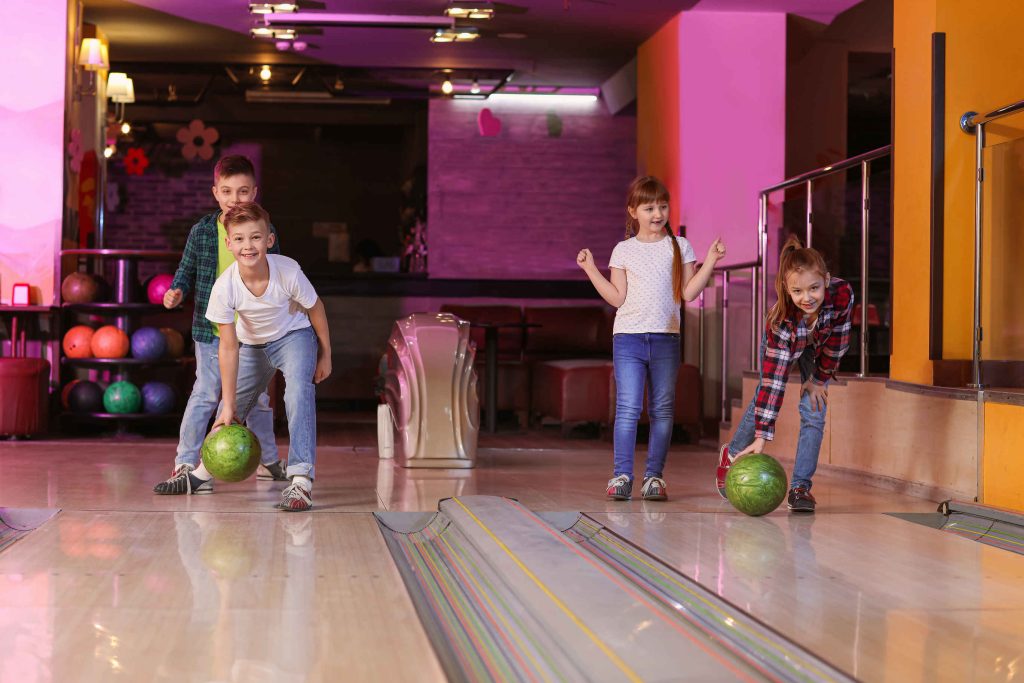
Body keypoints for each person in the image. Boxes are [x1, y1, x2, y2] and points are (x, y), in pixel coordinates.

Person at [167, 202, 331, 511]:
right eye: (239, 239)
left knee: (298, 392)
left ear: (269, 239)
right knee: (228, 413)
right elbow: (228, 347)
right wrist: (230, 404)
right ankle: (199, 475)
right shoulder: (223, 287)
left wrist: (326, 354)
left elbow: (316, 307)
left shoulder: (288, 271)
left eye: (255, 238)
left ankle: (301, 481)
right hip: (252, 347)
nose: (248, 246)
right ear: (229, 244)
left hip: (294, 337)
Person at [577, 176, 725, 501]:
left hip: (665, 339)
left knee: (662, 409)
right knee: (628, 407)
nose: (657, 213)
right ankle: (621, 476)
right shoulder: (623, 250)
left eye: (662, 206)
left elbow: (687, 292)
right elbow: (616, 298)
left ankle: (654, 477)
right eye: (649, 207)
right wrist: (590, 269)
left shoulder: (680, 246)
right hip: (627, 339)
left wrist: (711, 261)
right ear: (633, 211)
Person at [154, 155, 285, 495]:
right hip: (212, 334)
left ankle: (269, 461)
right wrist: (176, 291)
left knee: (256, 401)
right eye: (227, 191)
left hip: (254, 336)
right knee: (205, 394)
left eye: (243, 192)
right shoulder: (202, 231)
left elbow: (278, 274)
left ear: (254, 192)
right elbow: (186, 268)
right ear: (215, 193)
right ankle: (185, 461)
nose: (235, 199)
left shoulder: (265, 232)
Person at [715, 234, 853, 512]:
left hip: (819, 350)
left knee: (814, 410)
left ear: (826, 280)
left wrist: (819, 379)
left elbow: (839, 340)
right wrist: (762, 436)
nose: (807, 298)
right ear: (787, 289)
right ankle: (732, 453)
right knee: (762, 397)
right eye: (798, 292)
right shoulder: (781, 323)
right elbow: (774, 384)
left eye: (814, 288)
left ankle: (801, 488)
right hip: (790, 343)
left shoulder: (842, 295)